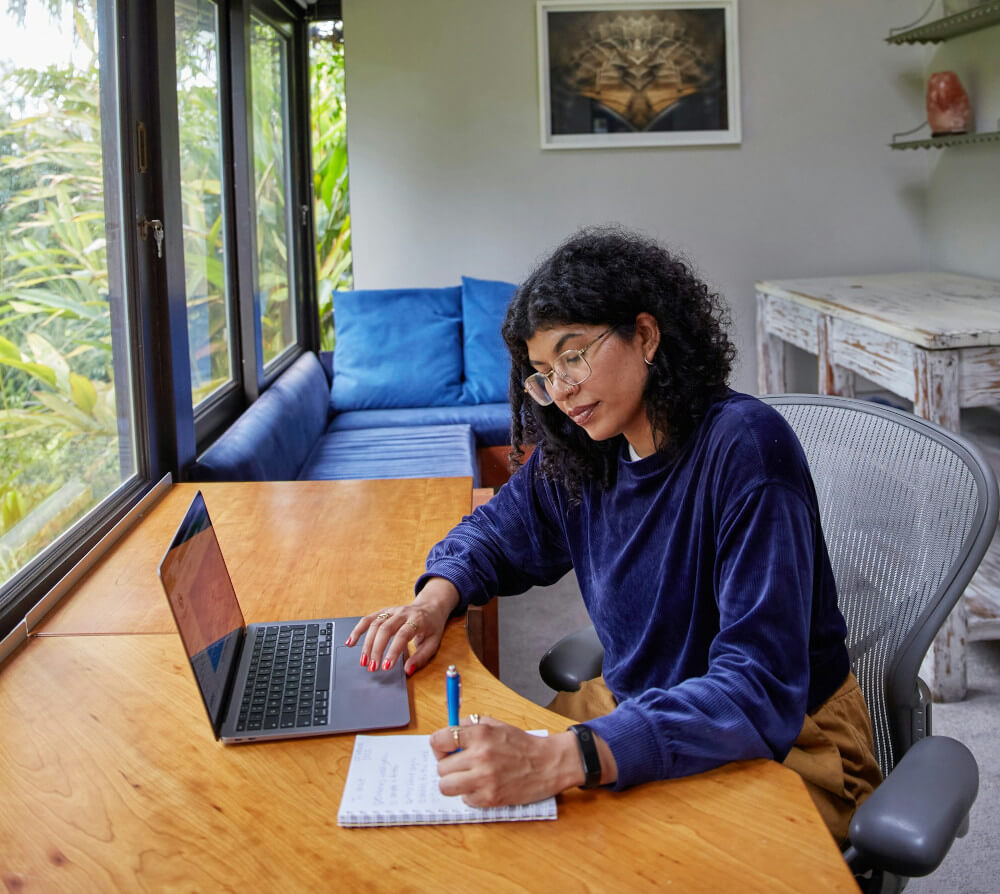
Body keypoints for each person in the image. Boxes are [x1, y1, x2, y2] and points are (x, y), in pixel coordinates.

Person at [346, 227, 881, 845]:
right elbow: (494, 530)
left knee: (597, 856)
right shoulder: (585, 452)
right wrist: (432, 600)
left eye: (574, 357)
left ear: (646, 336)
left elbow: (757, 689)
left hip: (785, 739)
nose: (562, 392)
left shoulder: (746, 449)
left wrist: (569, 757)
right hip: (642, 707)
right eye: (543, 374)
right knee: (484, 818)